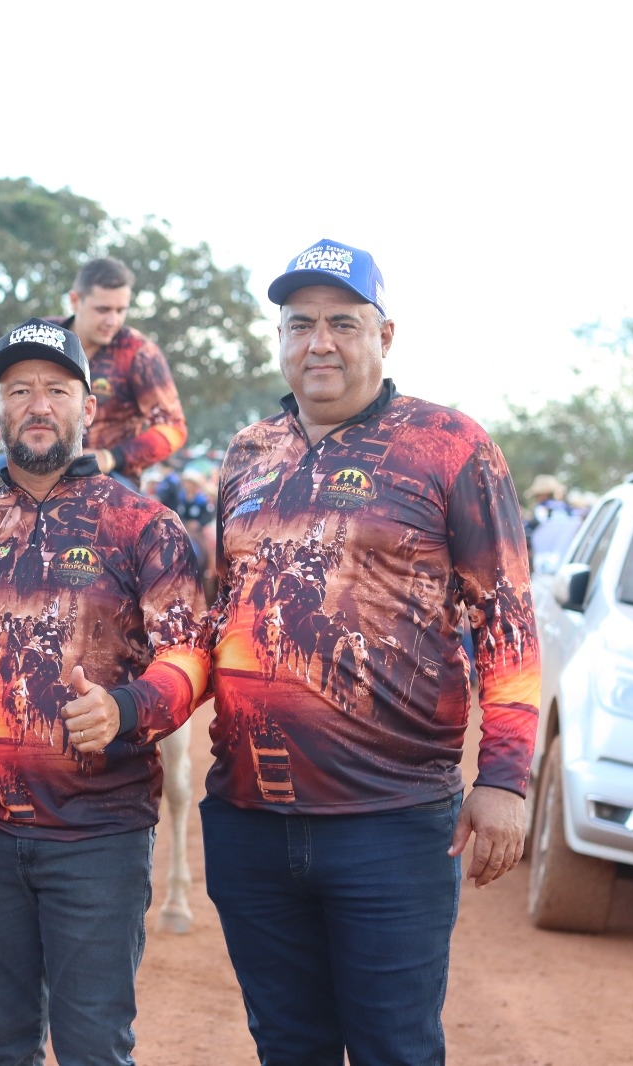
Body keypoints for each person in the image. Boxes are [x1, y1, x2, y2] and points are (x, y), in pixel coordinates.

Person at [203, 238, 540, 1065]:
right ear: (280, 338)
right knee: (288, 1046)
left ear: (384, 335)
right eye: (300, 324)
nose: (319, 342)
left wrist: (503, 780)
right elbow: (218, 614)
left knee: (395, 1047)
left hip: (390, 821)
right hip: (250, 818)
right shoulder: (246, 454)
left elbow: (507, 623)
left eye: (342, 323)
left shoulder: (450, 445)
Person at [0, 318, 209, 1064]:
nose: (38, 405)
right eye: (19, 391)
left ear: (89, 407)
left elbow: (191, 655)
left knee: (94, 1048)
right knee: (2, 1046)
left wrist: (124, 709)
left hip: (98, 835)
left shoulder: (146, 527)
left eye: (56, 389)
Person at [53, 257, 186, 482]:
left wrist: (111, 457)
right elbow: (2, 403)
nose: (112, 321)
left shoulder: (139, 353)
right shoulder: (41, 337)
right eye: (103, 309)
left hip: (112, 475)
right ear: (75, 300)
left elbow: (173, 428)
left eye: (120, 310)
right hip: (38, 467)